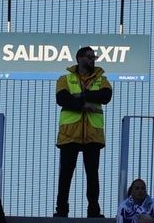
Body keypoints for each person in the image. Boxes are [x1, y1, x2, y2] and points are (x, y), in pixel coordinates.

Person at [56, 45, 112, 217]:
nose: (92, 59)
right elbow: (62, 99)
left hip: (93, 135)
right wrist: (84, 105)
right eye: (89, 56)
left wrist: (81, 96)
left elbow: (106, 96)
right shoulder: (64, 79)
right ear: (79, 58)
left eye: (93, 57)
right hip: (69, 134)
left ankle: (94, 211)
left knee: (92, 176)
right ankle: (61, 210)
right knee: (65, 176)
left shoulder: (101, 79)